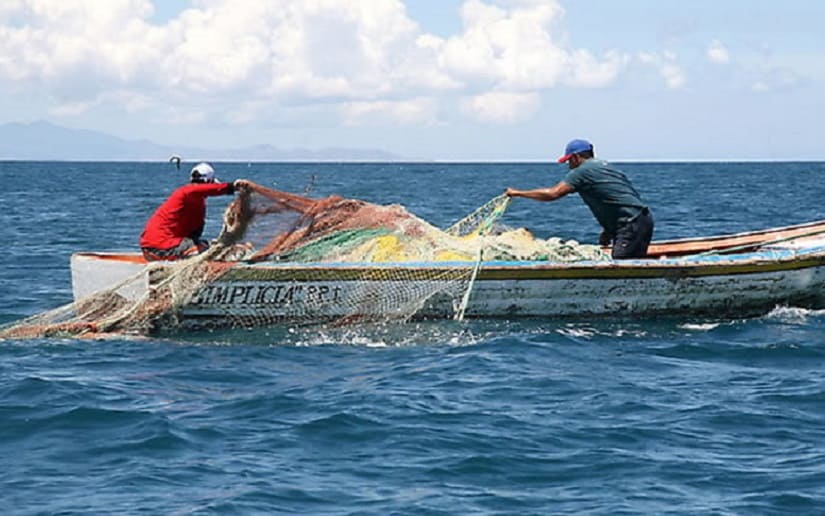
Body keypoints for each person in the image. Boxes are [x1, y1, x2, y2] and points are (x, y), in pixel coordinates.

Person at [505, 139, 654, 259]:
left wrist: (518, 193)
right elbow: (619, 198)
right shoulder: (607, 167)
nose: (569, 166)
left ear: (576, 157)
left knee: (621, 268)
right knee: (631, 261)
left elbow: (553, 193)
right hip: (642, 219)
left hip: (630, 224)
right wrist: (608, 230)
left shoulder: (582, 171)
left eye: (569, 161)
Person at [140, 162, 250, 261]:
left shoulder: (195, 202)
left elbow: (194, 234)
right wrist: (233, 187)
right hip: (158, 247)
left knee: (205, 246)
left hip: (157, 246)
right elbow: (205, 189)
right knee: (203, 250)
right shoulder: (187, 192)